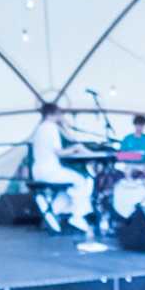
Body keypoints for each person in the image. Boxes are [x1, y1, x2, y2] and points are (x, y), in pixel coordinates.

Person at [25, 100, 83, 236]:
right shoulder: (51, 128)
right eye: (60, 113)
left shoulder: (40, 128)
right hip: (50, 170)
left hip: (38, 171)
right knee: (81, 181)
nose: (61, 116)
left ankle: (51, 213)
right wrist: (75, 149)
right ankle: (77, 217)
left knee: (69, 189)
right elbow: (59, 152)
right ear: (53, 114)